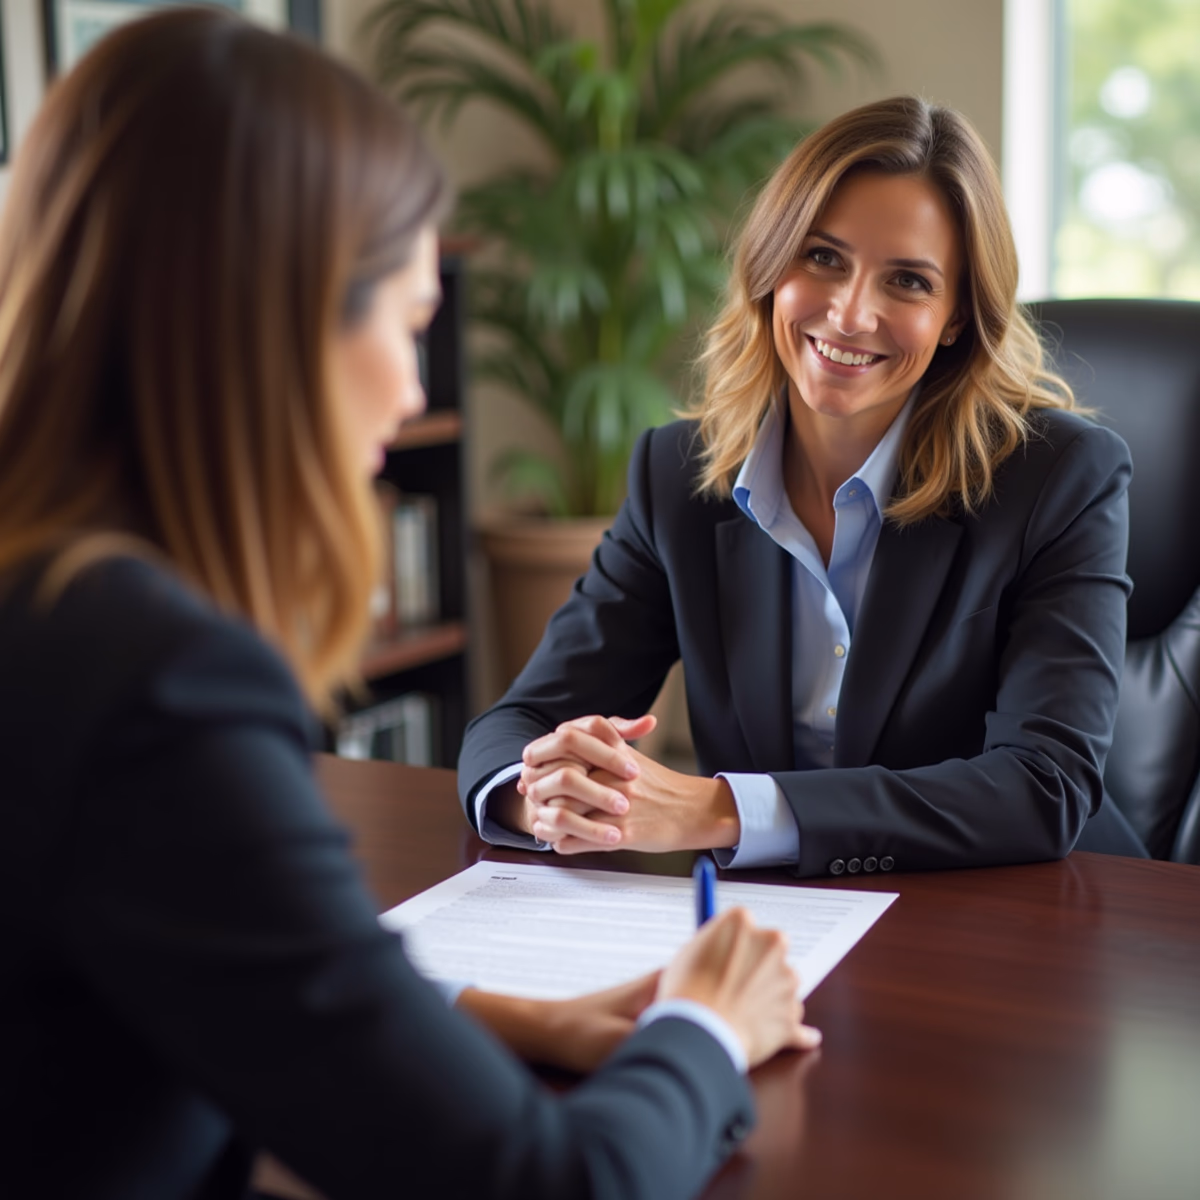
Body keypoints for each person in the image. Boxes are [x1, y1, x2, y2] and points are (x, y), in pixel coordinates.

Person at [0, 10, 821, 1199]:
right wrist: (701, 1027)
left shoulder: (47, 608)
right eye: (410, 323)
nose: (407, 386)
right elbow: (542, 1185)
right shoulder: (154, 684)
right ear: (276, 320)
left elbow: (177, 956)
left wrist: (496, 1021)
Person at [459, 94, 1149, 875]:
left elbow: (1043, 785)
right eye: (822, 257)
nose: (851, 314)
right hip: (785, 922)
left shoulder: (1058, 478)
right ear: (771, 265)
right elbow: (522, 718)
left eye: (910, 282)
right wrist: (540, 795)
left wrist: (717, 809)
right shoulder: (678, 477)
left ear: (957, 316)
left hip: (1022, 920)